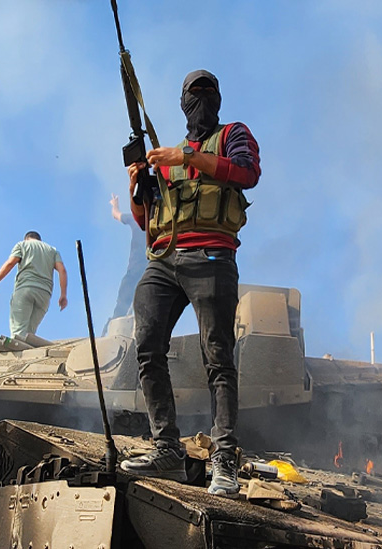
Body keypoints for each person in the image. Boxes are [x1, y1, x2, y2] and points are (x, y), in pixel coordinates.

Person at [118, 70, 261, 497]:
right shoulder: (169, 155)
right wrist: (136, 189)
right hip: (164, 261)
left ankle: (223, 459)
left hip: (212, 256)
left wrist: (188, 160)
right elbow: (148, 221)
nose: (200, 99)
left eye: (207, 91)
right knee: (146, 346)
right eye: (193, 93)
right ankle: (166, 448)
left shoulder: (232, 134)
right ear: (183, 102)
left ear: (217, 98)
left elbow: (247, 173)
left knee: (217, 355)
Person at [0, 231, 68, 338]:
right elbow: (62, 271)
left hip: (26, 289)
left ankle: (16, 350)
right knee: (29, 334)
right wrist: (63, 295)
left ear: (26, 238)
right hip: (44, 295)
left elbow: (10, 263)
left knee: (18, 333)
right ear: (39, 240)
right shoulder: (52, 250)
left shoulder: (22, 245)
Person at [106, 193, 147, 327]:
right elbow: (117, 214)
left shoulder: (135, 219)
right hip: (148, 269)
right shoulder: (139, 219)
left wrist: (115, 205)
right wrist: (115, 205)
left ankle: (117, 326)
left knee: (125, 302)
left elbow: (116, 214)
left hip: (139, 270)